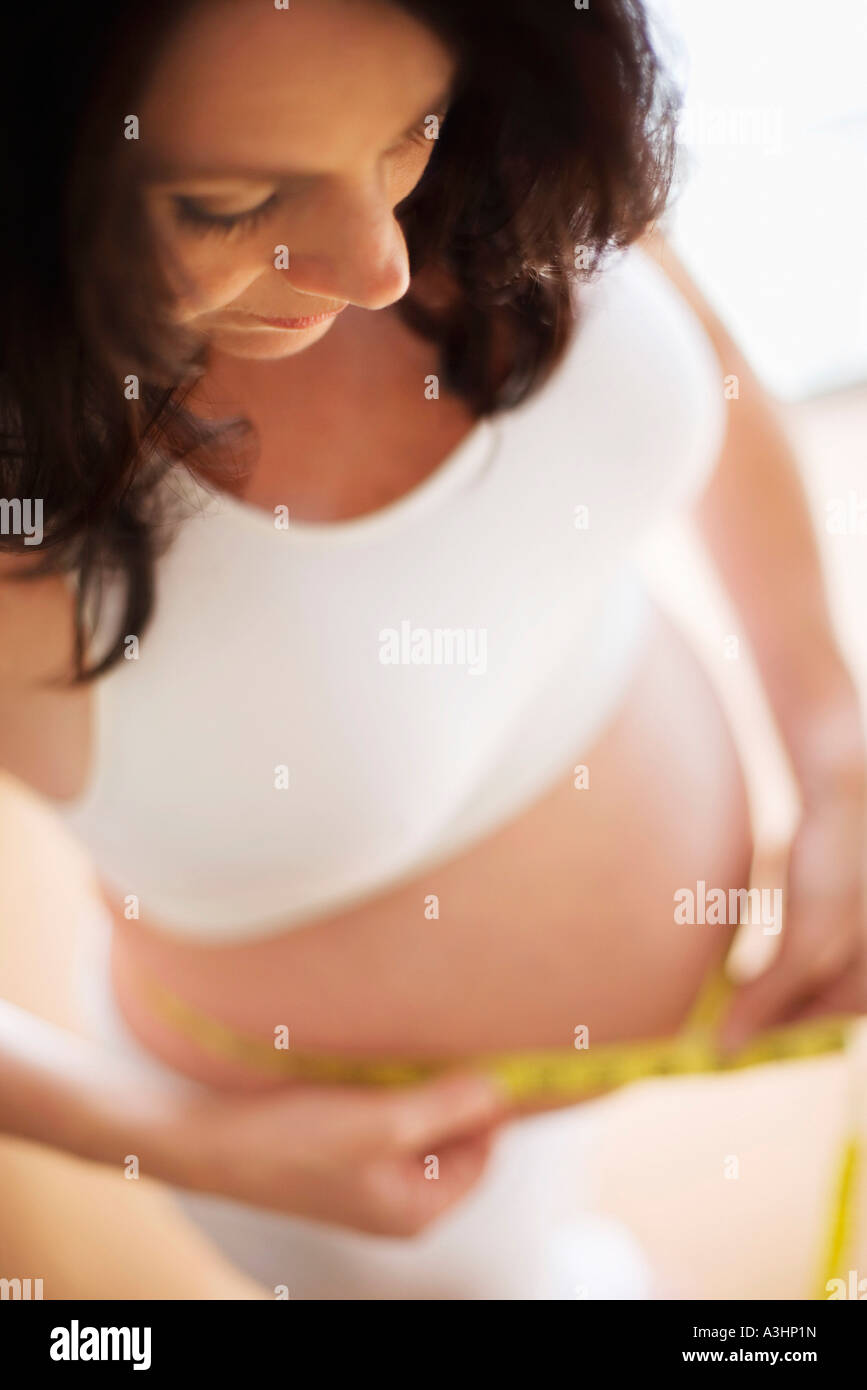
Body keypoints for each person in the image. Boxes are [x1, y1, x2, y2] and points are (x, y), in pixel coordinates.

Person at [0, 0, 864, 1298]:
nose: (378, 265)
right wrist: (199, 1148)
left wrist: (836, 742)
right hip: (357, 1183)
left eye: (407, 128)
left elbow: (707, 375)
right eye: (230, 203)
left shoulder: (506, 132)